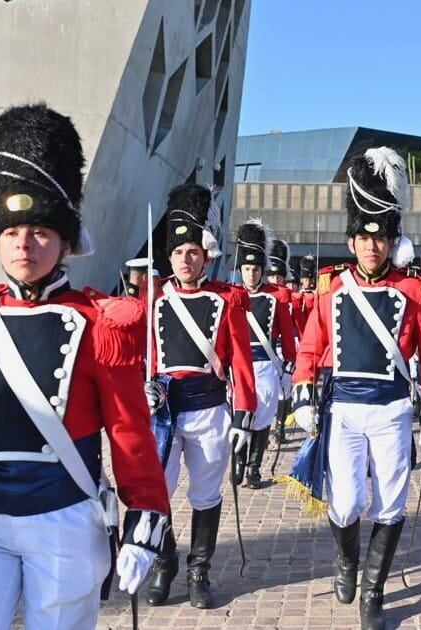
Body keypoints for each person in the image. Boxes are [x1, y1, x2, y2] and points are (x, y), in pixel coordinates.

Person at [0, 104, 170, 630]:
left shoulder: (100, 323)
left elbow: (130, 433)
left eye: (42, 230)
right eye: (13, 230)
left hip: (65, 521)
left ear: (66, 241)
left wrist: (145, 519)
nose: (25, 243)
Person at [285, 147, 421, 630]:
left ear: (393, 240)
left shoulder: (415, 290)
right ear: (352, 240)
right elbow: (312, 344)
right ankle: (346, 562)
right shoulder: (330, 286)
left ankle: (373, 591)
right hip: (344, 409)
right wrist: (301, 392)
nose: (372, 247)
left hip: (394, 409)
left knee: (392, 501)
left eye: (381, 239)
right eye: (363, 238)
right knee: (346, 502)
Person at [143, 183, 257, 608]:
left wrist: (244, 413)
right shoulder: (153, 298)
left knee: (205, 493)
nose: (185, 260)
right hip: (163, 410)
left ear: (206, 254)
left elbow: (242, 362)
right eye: (177, 253)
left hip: (208, 408)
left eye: (193, 251)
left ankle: (199, 570)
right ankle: (166, 560)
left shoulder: (227, 300)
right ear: (168, 257)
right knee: (156, 491)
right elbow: (144, 354)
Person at [234, 221, 297, 489]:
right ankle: (238, 460)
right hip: (239, 367)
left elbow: (286, 334)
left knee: (262, 420)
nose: (251, 274)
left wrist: (289, 368)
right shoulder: (232, 297)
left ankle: (253, 467)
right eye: (246, 269)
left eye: (255, 269)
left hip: (266, 366)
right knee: (240, 415)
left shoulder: (276, 298)